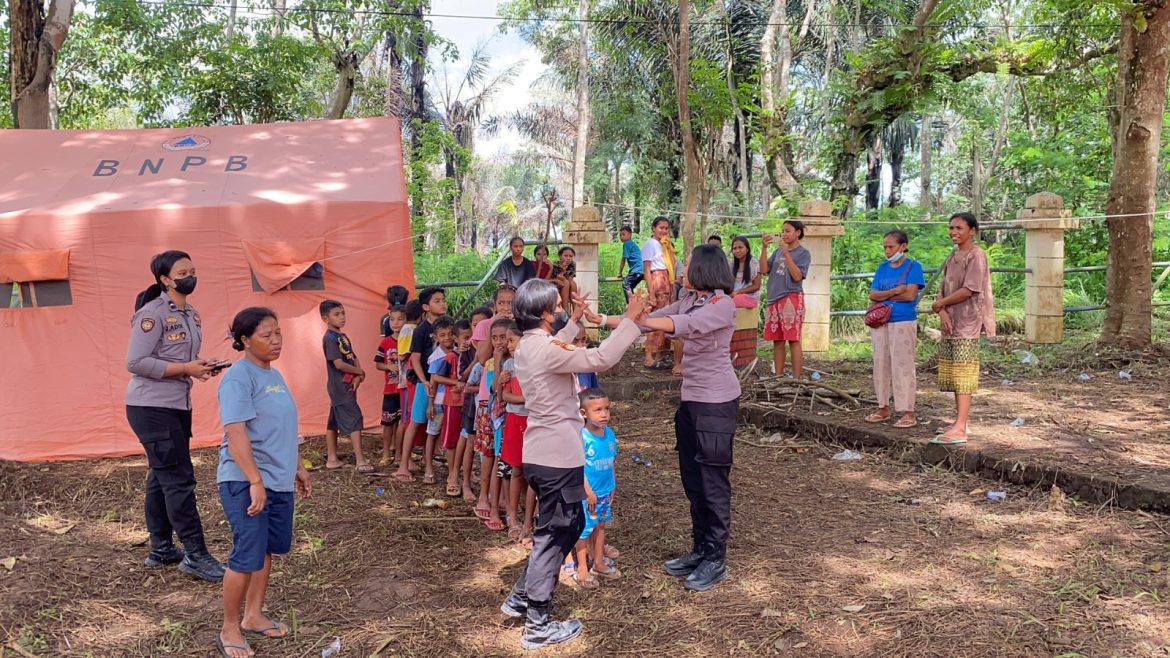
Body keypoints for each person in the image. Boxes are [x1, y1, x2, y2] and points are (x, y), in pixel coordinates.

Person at [499, 280, 646, 650]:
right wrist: (629, 321)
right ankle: (537, 625)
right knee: (554, 535)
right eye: (558, 305)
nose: (563, 306)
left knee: (570, 523)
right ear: (545, 313)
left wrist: (575, 320)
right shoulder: (545, 349)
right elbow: (600, 358)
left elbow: (556, 347)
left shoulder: (530, 346)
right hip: (556, 458)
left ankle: (520, 597)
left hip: (543, 455)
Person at [593, 244, 740, 592]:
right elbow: (648, 325)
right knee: (693, 478)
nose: (681, 270)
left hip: (716, 403)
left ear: (705, 270)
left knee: (712, 482)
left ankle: (716, 557)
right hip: (692, 402)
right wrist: (599, 319)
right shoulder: (689, 299)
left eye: (687, 265)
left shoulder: (722, 305)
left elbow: (681, 325)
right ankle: (700, 548)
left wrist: (640, 317)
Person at [215, 308, 312, 658]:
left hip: (277, 480)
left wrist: (297, 466)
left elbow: (282, 425)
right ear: (244, 340)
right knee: (246, 554)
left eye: (278, 333)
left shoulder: (273, 375)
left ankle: (253, 615)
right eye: (266, 335)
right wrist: (255, 480)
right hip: (244, 481)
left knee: (266, 549)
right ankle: (229, 627)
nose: (276, 341)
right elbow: (235, 431)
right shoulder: (239, 378)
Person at [125, 250, 226, 582]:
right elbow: (136, 362)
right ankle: (196, 555)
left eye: (193, 270)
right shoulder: (150, 314)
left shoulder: (191, 314)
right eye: (183, 272)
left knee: (161, 476)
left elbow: (181, 358)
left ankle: (162, 548)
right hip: (151, 408)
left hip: (177, 404)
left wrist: (199, 368)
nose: (190, 277)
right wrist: (185, 368)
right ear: (165, 279)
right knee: (179, 480)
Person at [930, 213, 996, 445]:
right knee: (953, 372)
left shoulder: (976, 255)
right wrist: (942, 310)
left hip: (968, 320)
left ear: (972, 230)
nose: (953, 232)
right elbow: (942, 288)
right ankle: (960, 421)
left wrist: (941, 304)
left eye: (959, 227)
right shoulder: (953, 256)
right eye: (951, 228)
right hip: (951, 320)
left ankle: (961, 425)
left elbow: (970, 289)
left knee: (963, 372)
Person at [866, 230, 926, 429]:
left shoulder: (913, 267)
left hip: (903, 320)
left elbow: (909, 296)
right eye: (885, 247)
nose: (887, 251)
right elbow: (872, 294)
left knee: (903, 364)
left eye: (891, 246)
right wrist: (893, 292)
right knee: (880, 362)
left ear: (903, 246)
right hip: (880, 321)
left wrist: (884, 295)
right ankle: (883, 406)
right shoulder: (882, 268)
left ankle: (908, 410)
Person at [564, 388, 622, 589]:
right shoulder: (582, 437)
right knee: (584, 530)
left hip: (605, 492)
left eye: (607, 409)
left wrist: (612, 484)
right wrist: (587, 492)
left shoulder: (609, 434)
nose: (604, 414)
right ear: (583, 413)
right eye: (597, 410)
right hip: (588, 495)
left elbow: (611, 462)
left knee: (601, 526)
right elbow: (578, 467)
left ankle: (598, 561)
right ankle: (582, 568)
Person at [393, 287, 447, 482]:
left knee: (440, 424)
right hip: (424, 384)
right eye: (437, 301)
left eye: (443, 300)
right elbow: (414, 359)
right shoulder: (421, 329)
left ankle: (432, 463)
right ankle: (403, 465)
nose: (443, 303)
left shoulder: (447, 327)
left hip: (442, 382)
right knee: (415, 422)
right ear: (426, 306)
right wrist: (424, 381)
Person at [320, 300, 369, 472]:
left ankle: (332, 458)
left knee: (333, 421)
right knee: (355, 418)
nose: (342, 317)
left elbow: (352, 356)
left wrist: (359, 373)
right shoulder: (330, 339)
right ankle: (360, 460)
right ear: (325, 319)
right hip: (340, 386)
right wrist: (359, 371)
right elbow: (339, 364)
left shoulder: (342, 337)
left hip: (347, 385)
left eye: (343, 313)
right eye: (336, 314)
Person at [760, 221, 811, 379]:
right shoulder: (776, 252)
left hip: (791, 297)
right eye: (782, 231)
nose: (784, 234)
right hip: (773, 299)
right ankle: (779, 377)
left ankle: (796, 379)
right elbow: (763, 270)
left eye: (788, 231)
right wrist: (764, 248)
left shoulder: (803, 253)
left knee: (793, 339)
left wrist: (787, 253)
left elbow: (797, 277)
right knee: (777, 341)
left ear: (798, 232)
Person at [433, 319, 471, 497]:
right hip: (452, 402)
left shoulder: (471, 357)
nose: (467, 341)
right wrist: (456, 382)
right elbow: (437, 378)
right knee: (451, 440)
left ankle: (463, 473)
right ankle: (452, 475)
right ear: (456, 338)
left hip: (466, 402)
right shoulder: (450, 357)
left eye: (470, 337)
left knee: (465, 438)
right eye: (464, 337)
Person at [423, 315, 455, 485]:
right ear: (436, 337)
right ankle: (428, 468)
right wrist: (430, 404)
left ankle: (454, 470)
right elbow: (433, 382)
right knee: (432, 434)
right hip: (439, 402)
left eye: (450, 334)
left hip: (453, 401)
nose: (447, 338)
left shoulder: (457, 351)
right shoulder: (437, 357)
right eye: (442, 335)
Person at [642, 217, 676, 369]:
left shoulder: (665, 245)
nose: (663, 231)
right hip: (657, 279)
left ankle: (660, 355)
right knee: (655, 317)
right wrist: (651, 293)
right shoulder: (650, 244)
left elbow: (672, 264)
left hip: (667, 279)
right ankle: (649, 356)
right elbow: (647, 270)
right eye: (660, 228)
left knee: (666, 317)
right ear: (653, 228)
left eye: (666, 228)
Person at [375, 306, 406, 467]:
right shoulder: (385, 342)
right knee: (388, 422)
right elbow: (378, 364)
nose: (396, 323)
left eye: (400, 319)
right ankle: (386, 452)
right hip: (390, 389)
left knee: (403, 421)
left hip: (405, 389)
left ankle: (400, 454)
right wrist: (389, 367)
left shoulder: (409, 341)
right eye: (392, 319)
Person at [728, 236, 761, 309]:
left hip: (750, 298)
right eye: (734, 248)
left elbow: (756, 286)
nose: (737, 251)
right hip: (734, 296)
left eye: (740, 247)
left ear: (747, 249)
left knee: (733, 301)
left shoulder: (754, 263)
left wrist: (737, 292)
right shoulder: (731, 264)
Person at [618, 225, 644, 303]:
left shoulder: (627, 244)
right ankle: (635, 304)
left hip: (637, 270)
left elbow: (624, 259)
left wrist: (620, 272)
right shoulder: (632, 244)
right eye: (620, 235)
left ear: (630, 235)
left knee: (625, 284)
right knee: (630, 286)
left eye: (623, 234)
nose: (621, 237)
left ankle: (631, 305)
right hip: (641, 271)